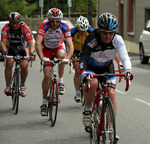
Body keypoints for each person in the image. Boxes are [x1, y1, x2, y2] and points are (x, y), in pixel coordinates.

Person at [79, 12, 133, 140]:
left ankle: (111, 127)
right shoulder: (92, 38)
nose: (108, 36)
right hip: (91, 68)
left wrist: (128, 71)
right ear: (98, 30)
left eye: (111, 32)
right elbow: (84, 58)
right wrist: (83, 72)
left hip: (107, 67)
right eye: (104, 32)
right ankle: (87, 109)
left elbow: (125, 57)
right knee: (93, 83)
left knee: (112, 93)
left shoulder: (117, 39)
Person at [35, 8, 74, 116]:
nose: (55, 23)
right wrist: (42, 58)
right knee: (47, 75)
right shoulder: (44, 26)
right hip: (46, 49)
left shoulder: (64, 27)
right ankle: (43, 103)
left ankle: (60, 82)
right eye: (52, 20)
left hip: (58, 48)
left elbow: (70, 46)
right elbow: (38, 43)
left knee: (62, 56)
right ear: (49, 20)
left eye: (58, 21)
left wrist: (68, 58)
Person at [1, 12, 35, 97]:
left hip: (23, 49)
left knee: (24, 65)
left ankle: (23, 85)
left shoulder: (25, 29)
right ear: (9, 22)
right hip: (11, 48)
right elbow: (3, 43)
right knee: (9, 62)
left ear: (19, 22)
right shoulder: (6, 28)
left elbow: (31, 43)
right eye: (12, 23)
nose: (14, 25)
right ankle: (8, 86)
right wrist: (4, 52)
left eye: (16, 23)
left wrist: (31, 53)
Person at [71, 16, 94, 103]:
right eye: (81, 30)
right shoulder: (72, 31)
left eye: (85, 30)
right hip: (76, 52)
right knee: (77, 70)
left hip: (87, 52)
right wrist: (71, 55)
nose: (83, 32)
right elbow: (66, 43)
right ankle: (77, 92)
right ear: (77, 27)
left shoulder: (91, 32)